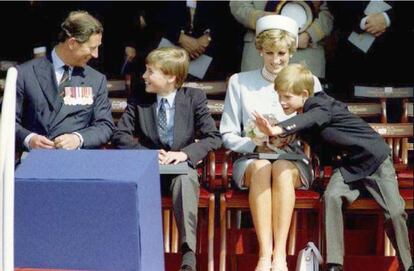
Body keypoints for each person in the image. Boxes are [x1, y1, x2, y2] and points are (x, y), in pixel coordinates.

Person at [253, 64, 414, 271]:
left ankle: (407, 265)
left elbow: (309, 119)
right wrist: (271, 137)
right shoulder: (302, 115)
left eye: (287, 97)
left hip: (374, 161)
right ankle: (334, 264)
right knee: (331, 197)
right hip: (346, 167)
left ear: (304, 94)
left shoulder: (321, 105)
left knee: (394, 211)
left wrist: (278, 128)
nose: (282, 102)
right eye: (280, 97)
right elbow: (299, 129)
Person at [219, 15, 323, 271]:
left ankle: (280, 256)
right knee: (263, 167)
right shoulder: (239, 82)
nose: (276, 60)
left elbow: (321, 125)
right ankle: (265, 255)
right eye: (269, 53)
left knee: (281, 170)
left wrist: (292, 134)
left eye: (282, 53)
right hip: (251, 158)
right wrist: (255, 145)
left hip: (293, 158)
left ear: (291, 51)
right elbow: (228, 134)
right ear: (260, 51)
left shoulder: (310, 81)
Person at [112, 47, 222, 271]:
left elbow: (213, 137)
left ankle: (187, 255)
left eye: (150, 71)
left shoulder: (194, 98)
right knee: (131, 186)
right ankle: (135, 255)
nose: (144, 76)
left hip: (180, 166)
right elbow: (120, 135)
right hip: (148, 169)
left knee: (184, 180)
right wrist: (147, 153)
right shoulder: (139, 97)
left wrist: (184, 154)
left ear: (171, 76)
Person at [15, 10, 114, 152]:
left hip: (78, 163)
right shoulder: (25, 73)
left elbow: (104, 125)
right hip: (34, 161)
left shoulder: (96, 80)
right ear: (72, 43)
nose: (96, 54)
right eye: (92, 48)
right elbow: (7, 121)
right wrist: (29, 139)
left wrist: (78, 138)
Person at [230, 1, 333, 79]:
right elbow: (238, 6)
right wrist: (265, 19)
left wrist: (310, 35)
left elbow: (329, 13)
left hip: (305, 52)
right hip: (259, 54)